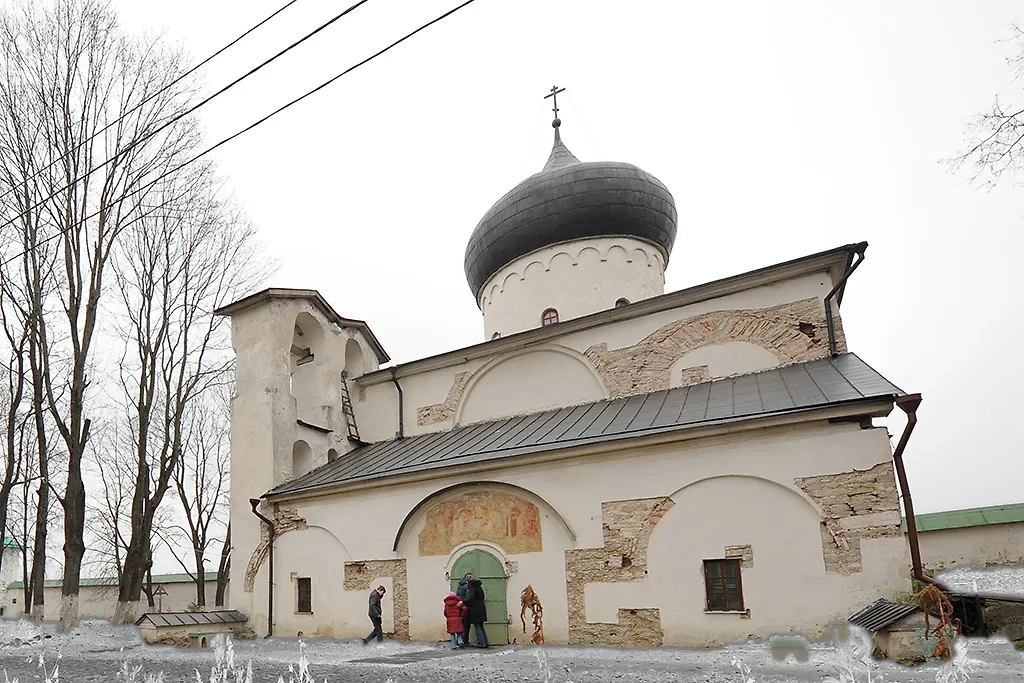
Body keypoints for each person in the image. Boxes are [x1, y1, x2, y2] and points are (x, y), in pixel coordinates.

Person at [464, 575, 489, 648]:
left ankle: (481, 643)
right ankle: (485, 642)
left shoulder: (472, 587)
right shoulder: (479, 587)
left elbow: (470, 597)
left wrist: (463, 601)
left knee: (477, 626)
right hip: (481, 608)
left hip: (475, 609)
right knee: (481, 626)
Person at [455, 572, 472, 647]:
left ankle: (459, 640)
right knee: (466, 625)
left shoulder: (459, 586)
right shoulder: (467, 586)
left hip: (460, 607)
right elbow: (468, 597)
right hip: (466, 607)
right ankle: (464, 641)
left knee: (461, 625)